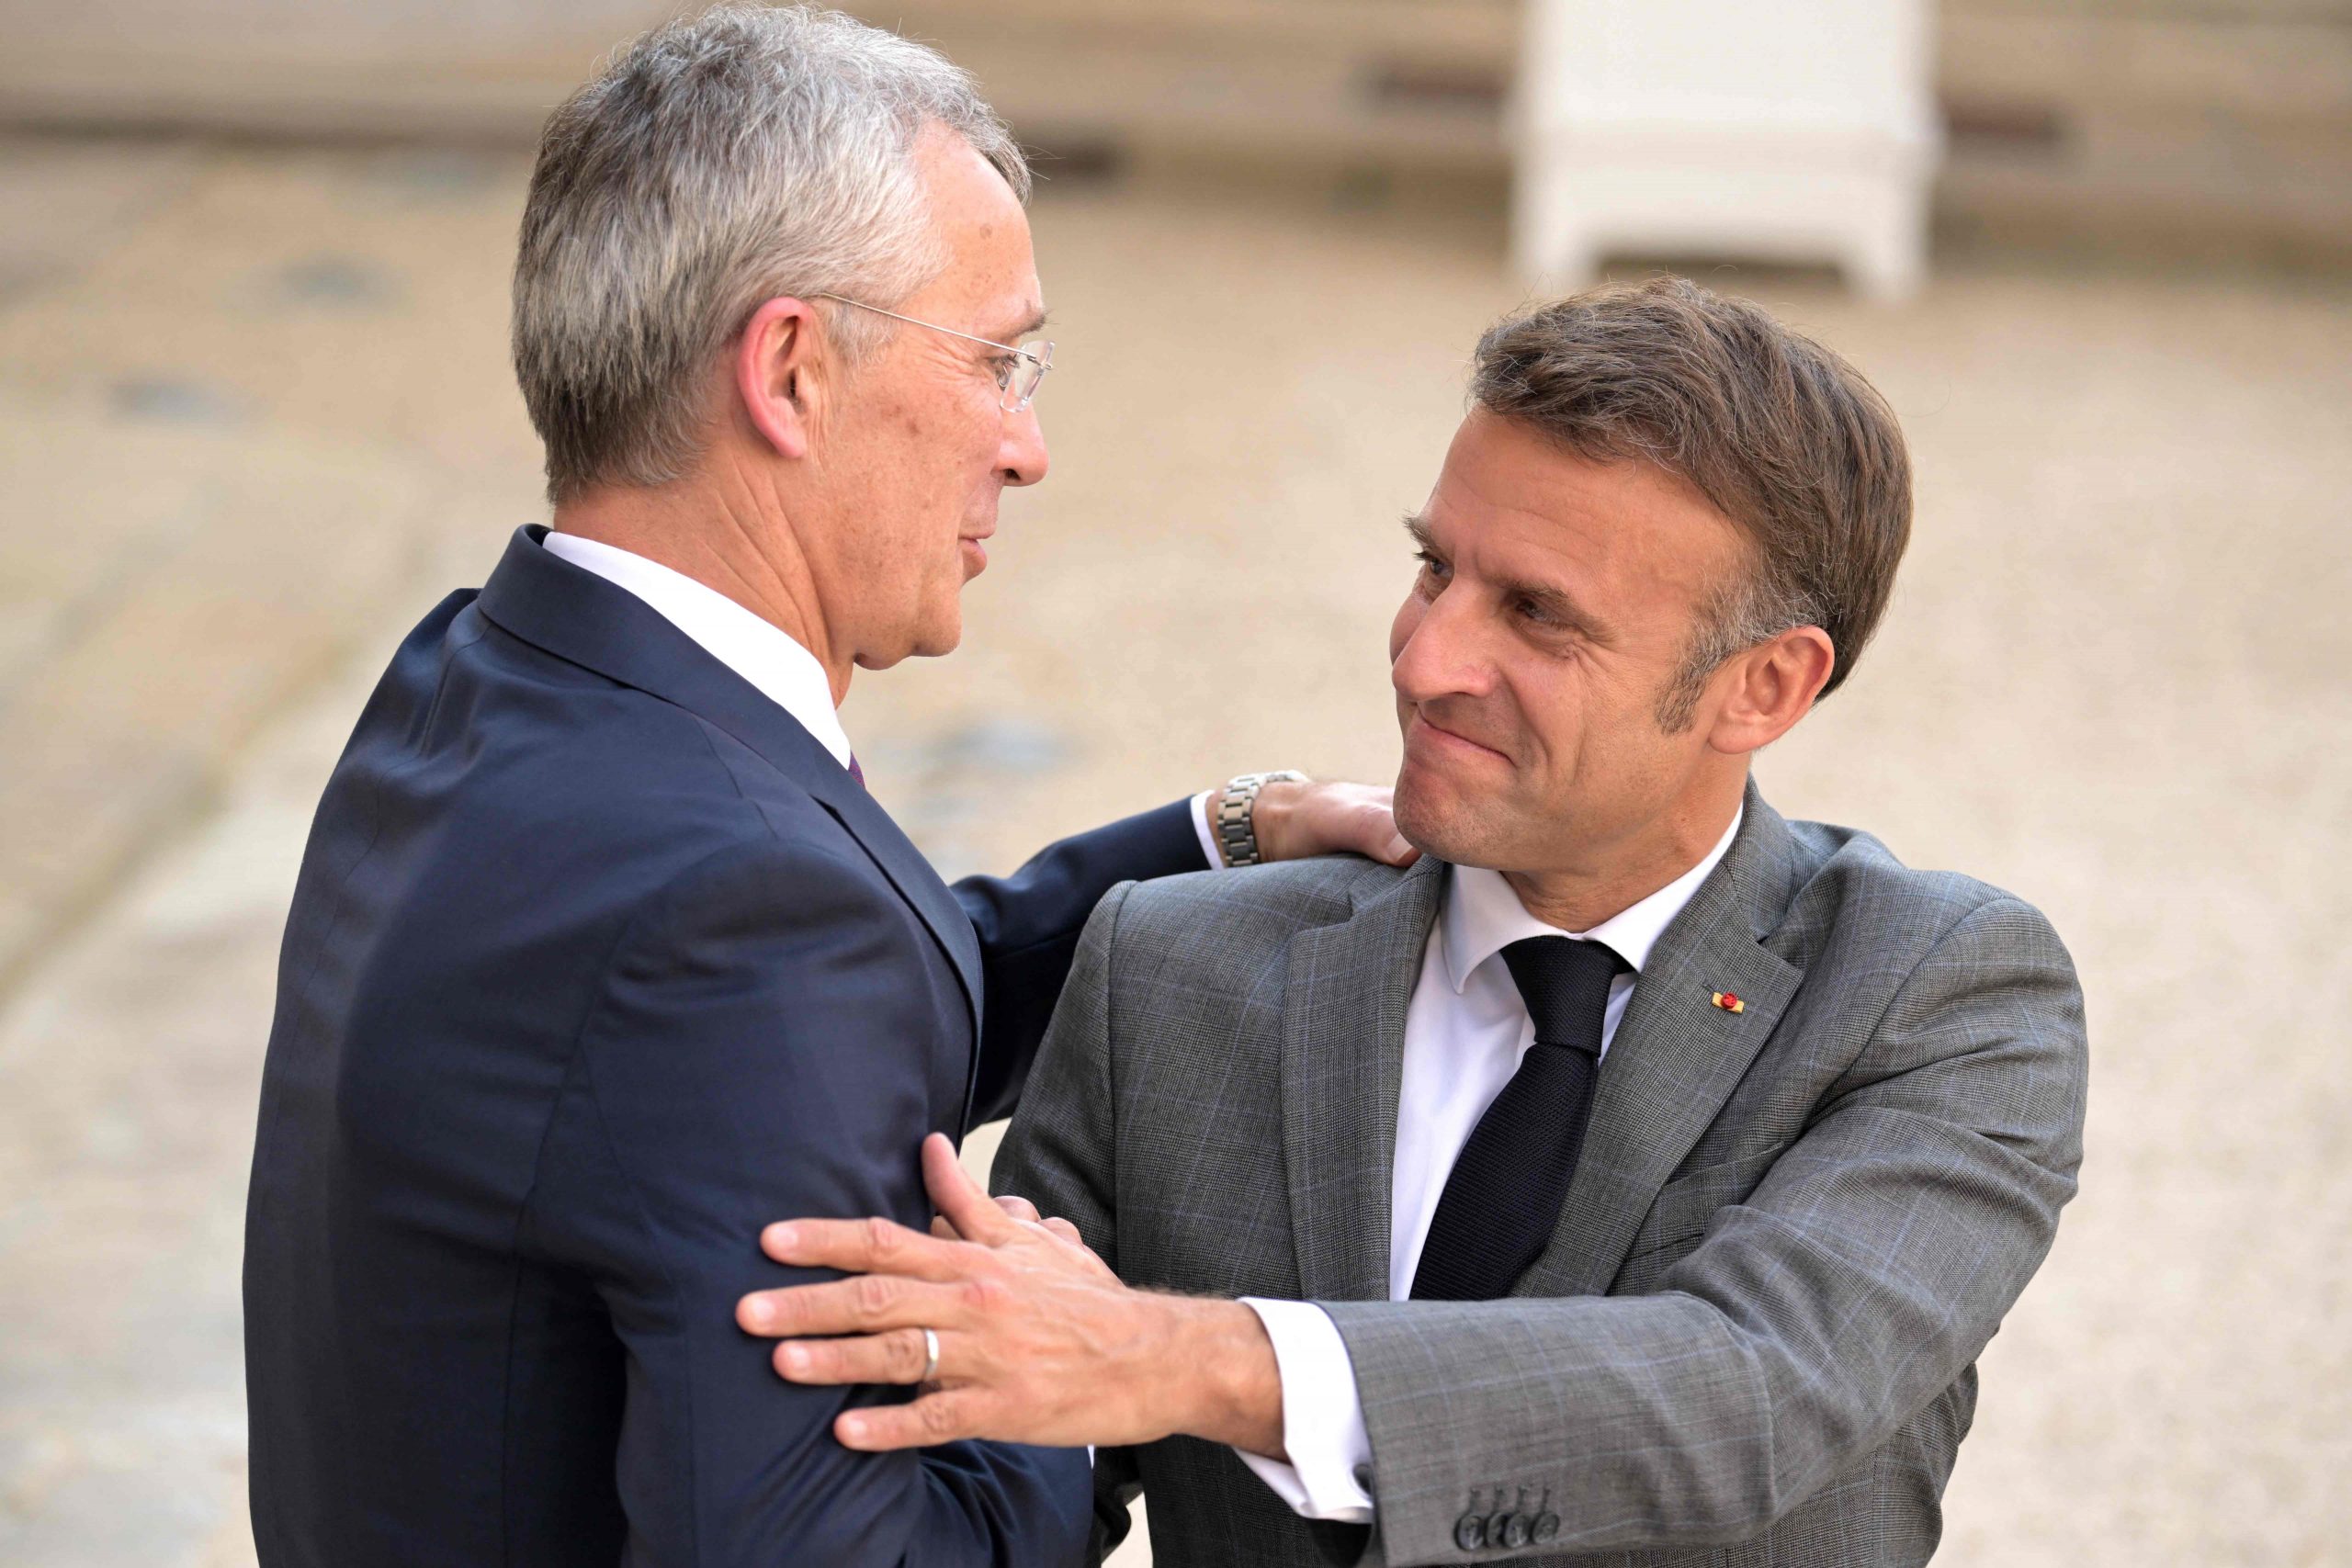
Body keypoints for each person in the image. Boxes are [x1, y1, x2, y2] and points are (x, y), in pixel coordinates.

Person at [239, 8, 1404, 1565]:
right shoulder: (735, 908)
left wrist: (1225, 836)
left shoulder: (488, 671)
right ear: (789, 370)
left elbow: (782, 1039)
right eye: (1001, 362)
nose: (1030, 444)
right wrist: (1091, 1365)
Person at [733, 278, 2091, 1567]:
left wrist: (1178, 1358)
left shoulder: (1938, 994)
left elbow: (1755, 1389)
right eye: (1435, 568)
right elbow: (995, 1458)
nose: (1430, 659)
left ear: (1765, 688)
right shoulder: (1167, 967)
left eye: (1538, 618)